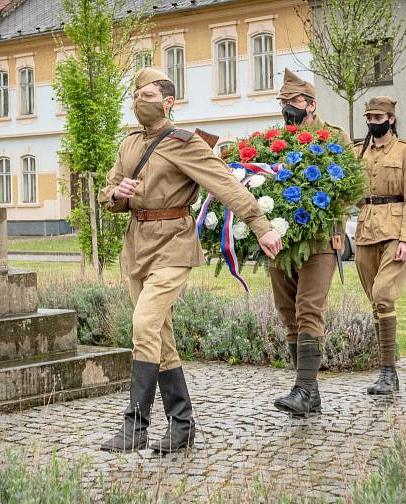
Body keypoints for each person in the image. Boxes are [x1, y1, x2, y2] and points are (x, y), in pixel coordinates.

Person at [98, 68, 283, 453]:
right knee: (159, 335)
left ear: (168, 101)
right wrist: (119, 192)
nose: (139, 99)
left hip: (173, 244)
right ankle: (182, 426)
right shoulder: (128, 145)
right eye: (135, 93)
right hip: (136, 246)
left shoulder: (185, 142)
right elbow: (108, 193)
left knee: (143, 323)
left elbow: (225, 183)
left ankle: (136, 425)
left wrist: (260, 224)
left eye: (148, 94)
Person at [271, 69, 350, 417]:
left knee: (307, 309)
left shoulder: (335, 137)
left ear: (311, 104)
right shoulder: (274, 141)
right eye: (284, 102)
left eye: (295, 102)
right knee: (288, 314)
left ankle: (302, 390)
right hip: (283, 243)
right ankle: (310, 394)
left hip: (320, 239)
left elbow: (352, 186)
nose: (289, 108)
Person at [354, 96, 406, 394]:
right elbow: (351, 195)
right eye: (369, 117)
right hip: (366, 231)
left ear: (391, 119)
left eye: (379, 118)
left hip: (395, 231)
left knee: (384, 295)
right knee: (376, 301)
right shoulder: (358, 153)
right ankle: (388, 373)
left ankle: (387, 371)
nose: (373, 122)